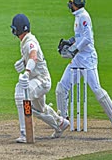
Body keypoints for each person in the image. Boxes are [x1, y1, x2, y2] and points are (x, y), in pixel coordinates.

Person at [56, 0, 112, 129]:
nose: (69, 5)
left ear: (74, 3)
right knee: (62, 87)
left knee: (97, 90)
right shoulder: (78, 16)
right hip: (78, 59)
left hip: (88, 60)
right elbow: (80, 36)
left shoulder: (84, 16)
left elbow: (88, 38)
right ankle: (63, 119)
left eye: (70, 2)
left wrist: (74, 49)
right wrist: (71, 41)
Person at [11, 14, 69, 143]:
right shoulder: (26, 40)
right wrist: (23, 62)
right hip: (37, 80)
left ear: (17, 30)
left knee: (20, 94)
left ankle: (24, 133)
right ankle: (60, 123)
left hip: (41, 81)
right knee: (39, 109)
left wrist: (26, 72)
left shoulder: (29, 42)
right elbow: (31, 58)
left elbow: (34, 56)